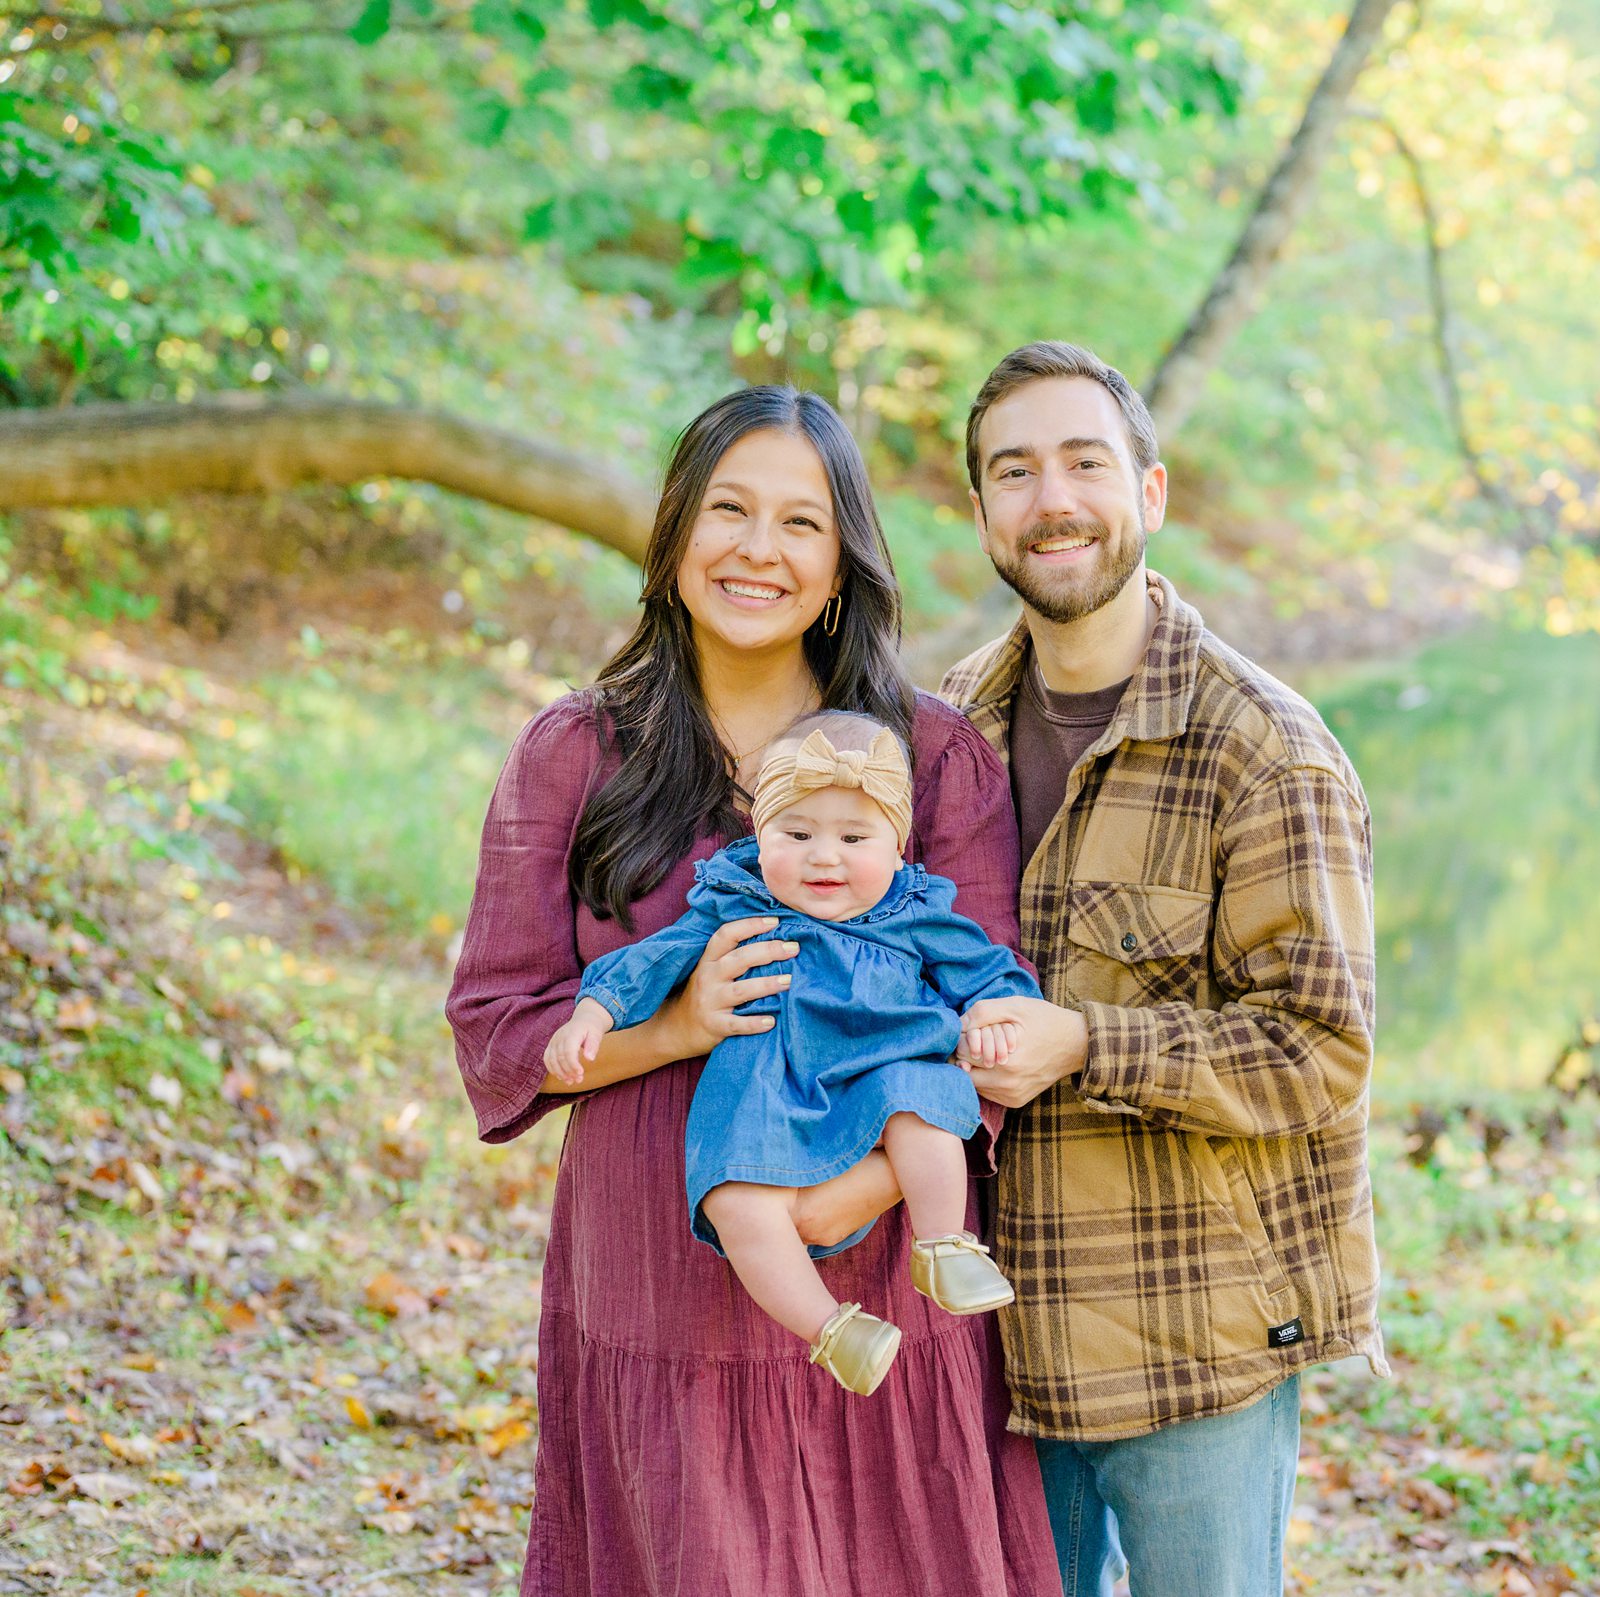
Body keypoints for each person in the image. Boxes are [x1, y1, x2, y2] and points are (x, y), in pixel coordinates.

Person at [447, 387, 1060, 1595]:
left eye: (800, 523)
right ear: (678, 533)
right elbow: (498, 1028)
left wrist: (858, 1193)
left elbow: (1000, 1018)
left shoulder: (931, 760)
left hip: (888, 1287)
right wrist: (676, 1023)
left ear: (841, 567)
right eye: (729, 510)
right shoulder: (577, 753)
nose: (757, 550)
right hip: (660, 1280)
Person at [939, 342, 1387, 1597]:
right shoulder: (943, 735)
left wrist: (1087, 1040)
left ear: (1151, 492)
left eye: (1086, 461)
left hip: (1193, 1336)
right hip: (992, 1342)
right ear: (980, 512)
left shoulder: (1265, 752)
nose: (1052, 500)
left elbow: (1321, 1054)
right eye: (1013, 471)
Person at [543, 710, 1036, 1397]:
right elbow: (652, 960)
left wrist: (989, 1014)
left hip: (882, 1072)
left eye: (854, 836)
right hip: (767, 1094)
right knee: (736, 1200)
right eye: (796, 833)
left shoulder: (913, 910)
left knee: (923, 1107)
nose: (823, 856)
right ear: (759, 834)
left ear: (897, 848)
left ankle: (944, 1244)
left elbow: (989, 970)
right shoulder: (738, 901)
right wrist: (592, 1014)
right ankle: (832, 1330)